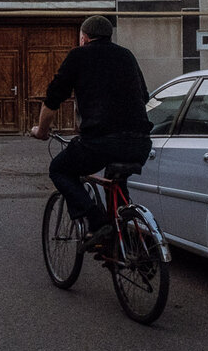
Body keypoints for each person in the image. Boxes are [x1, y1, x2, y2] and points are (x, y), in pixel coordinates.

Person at [30, 15, 152, 250]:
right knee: (117, 182)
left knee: (59, 169)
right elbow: (144, 96)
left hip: (101, 142)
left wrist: (41, 131)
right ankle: (128, 245)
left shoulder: (79, 55)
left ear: (84, 38)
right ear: (110, 37)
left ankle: (96, 223)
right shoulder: (126, 55)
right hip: (139, 143)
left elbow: (52, 100)